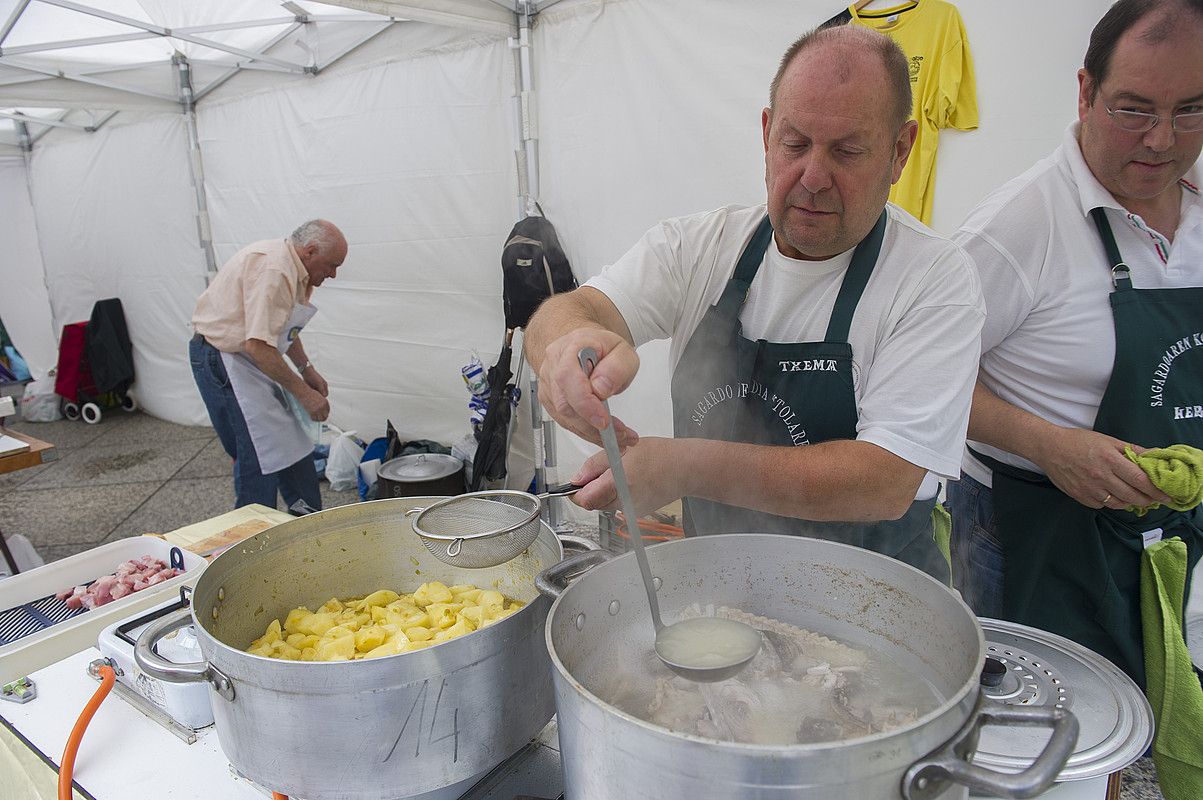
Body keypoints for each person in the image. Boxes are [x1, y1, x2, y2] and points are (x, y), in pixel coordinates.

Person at [524, 25, 984, 582]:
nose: (813, 177)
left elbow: (883, 482)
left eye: (847, 151)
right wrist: (565, 347)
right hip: (718, 596)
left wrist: (686, 466)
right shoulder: (700, 248)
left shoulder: (933, 279)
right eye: (795, 144)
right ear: (766, 134)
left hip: (876, 612)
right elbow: (570, 311)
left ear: (900, 151)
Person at [947, 0, 1203, 686]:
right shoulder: (1017, 225)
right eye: (1133, 109)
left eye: (1188, 110)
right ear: (1085, 92)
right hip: (1032, 530)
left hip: (1168, 532)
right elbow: (910, 371)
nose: (1159, 140)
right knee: (1037, 739)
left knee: (1146, 706)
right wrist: (1047, 445)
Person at [190, 219, 347, 511]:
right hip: (223, 358)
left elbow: (282, 328)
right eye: (331, 265)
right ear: (310, 251)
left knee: (292, 443)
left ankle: (308, 523)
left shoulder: (297, 270)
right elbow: (258, 345)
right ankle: (252, 541)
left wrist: (306, 368)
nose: (333, 274)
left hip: (249, 357)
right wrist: (304, 393)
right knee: (258, 452)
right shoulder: (275, 270)